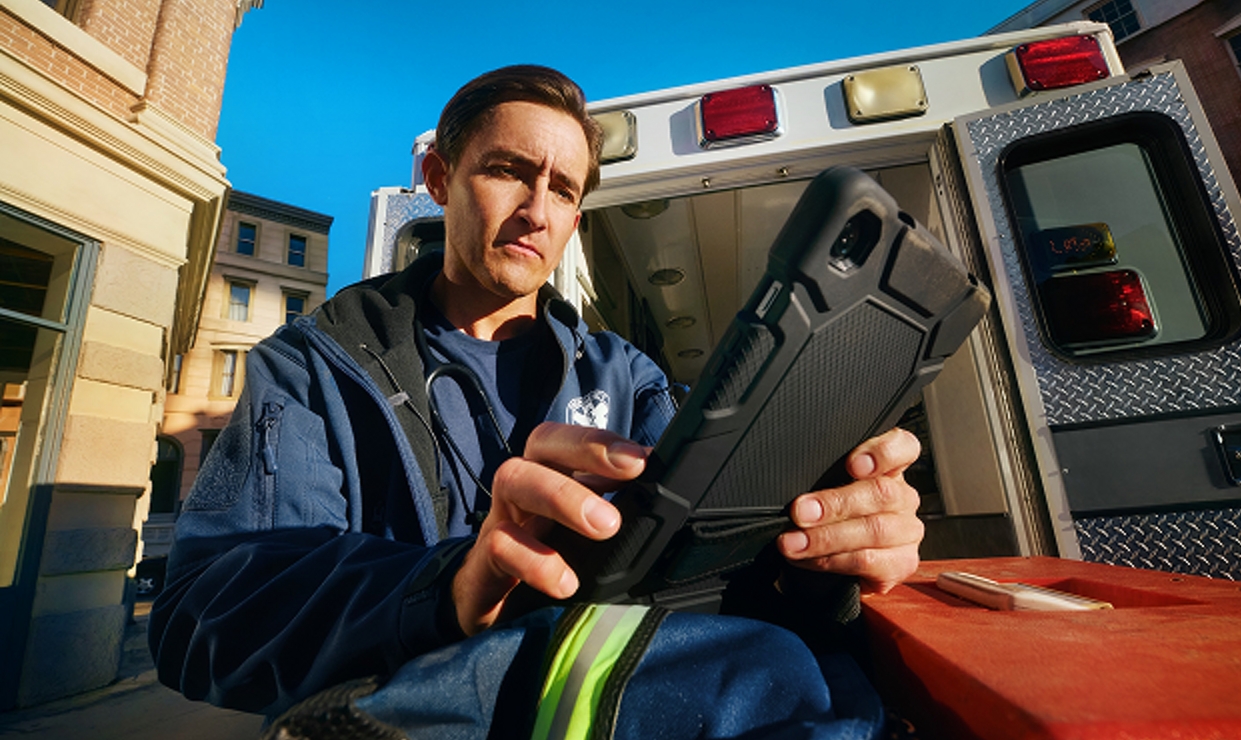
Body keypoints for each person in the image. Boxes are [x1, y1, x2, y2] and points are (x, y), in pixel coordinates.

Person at [148, 65, 924, 737]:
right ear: (440, 180)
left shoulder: (629, 378)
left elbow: (709, 580)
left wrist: (823, 555)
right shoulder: (315, 366)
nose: (538, 210)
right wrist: (446, 588)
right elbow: (204, 614)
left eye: (563, 189)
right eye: (509, 171)